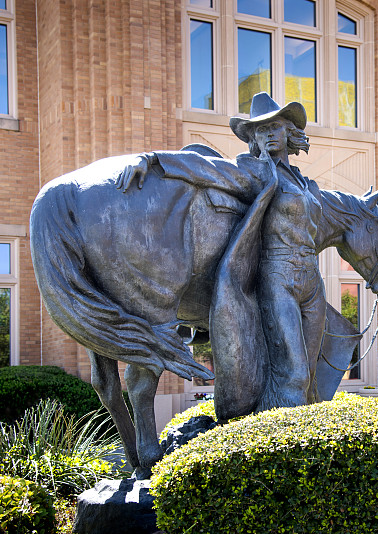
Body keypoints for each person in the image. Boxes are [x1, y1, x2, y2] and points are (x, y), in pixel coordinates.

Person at [116, 92, 326, 408]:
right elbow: (204, 166)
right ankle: (275, 433)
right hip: (279, 277)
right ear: (253, 139)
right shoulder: (254, 171)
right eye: (261, 129)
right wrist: (153, 159)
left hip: (312, 282)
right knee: (294, 375)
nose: (269, 134)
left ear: (289, 131)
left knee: (310, 375)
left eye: (275, 126)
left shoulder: (306, 183)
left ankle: (310, 434)